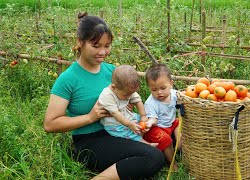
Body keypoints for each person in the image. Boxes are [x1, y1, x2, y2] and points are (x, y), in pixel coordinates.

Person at [43, 13, 165, 180]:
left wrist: (126, 104)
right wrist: (90, 117)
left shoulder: (111, 71)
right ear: (80, 42)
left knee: (166, 136)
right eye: (96, 46)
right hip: (91, 141)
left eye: (107, 46)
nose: (102, 52)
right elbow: (50, 124)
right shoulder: (68, 79)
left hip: (119, 131)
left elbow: (126, 96)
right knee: (154, 157)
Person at [98, 64, 157, 146]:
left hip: (127, 116)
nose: (129, 97)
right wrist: (129, 124)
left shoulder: (127, 89)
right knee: (127, 134)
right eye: (126, 95)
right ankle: (145, 144)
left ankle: (143, 135)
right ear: (113, 87)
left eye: (131, 93)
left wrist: (143, 116)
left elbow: (138, 101)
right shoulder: (107, 95)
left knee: (144, 122)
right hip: (114, 124)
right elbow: (116, 113)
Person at [143, 63, 182, 171]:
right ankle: (172, 164)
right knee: (166, 140)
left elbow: (183, 98)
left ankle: (178, 146)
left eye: (163, 88)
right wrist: (149, 123)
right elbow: (153, 119)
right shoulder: (150, 103)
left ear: (171, 84)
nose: (159, 92)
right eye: (154, 90)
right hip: (157, 127)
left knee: (180, 123)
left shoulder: (174, 94)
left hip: (171, 123)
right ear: (149, 88)